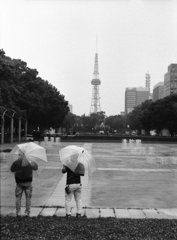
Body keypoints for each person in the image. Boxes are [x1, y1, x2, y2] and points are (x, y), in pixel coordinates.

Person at [11, 150, 38, 217]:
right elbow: (36, 167)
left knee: (18, 198)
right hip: (28, 182)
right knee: (28, 197)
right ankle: (27, 212)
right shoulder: (30, 162)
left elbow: (12, 169)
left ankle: (18, 212)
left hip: (19, 182)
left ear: (20, 154)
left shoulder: (16, 162)